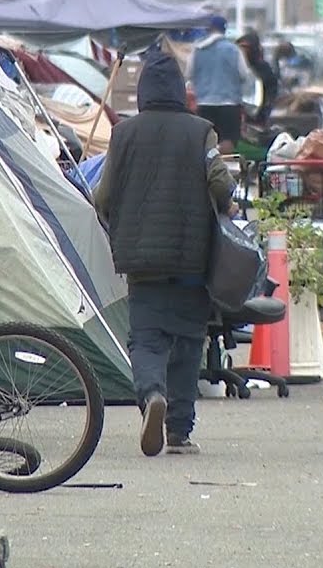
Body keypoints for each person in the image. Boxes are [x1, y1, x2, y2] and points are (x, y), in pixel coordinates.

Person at [93, 46, 237, 457]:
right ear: (180, 90)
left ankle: (152, 394)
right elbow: (220, 184)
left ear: (142, 92)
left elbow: (103, 196)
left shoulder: (123, 134)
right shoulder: (200, 131)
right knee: (189, 343)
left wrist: (115, 224)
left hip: (142, 261)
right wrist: (230, 204)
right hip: (191, 260)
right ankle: (178, 429)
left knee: (147, 340)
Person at [187, 15, 251, 155]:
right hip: (229, 104)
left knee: (206, 142)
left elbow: (189, 74)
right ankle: (225, 170)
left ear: (209, 29)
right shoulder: (234, 50)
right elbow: (244, 74)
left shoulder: (197, 50)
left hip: (204, 104)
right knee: (227, 140)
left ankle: (208, 170)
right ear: (224, 30)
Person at [235, 31, 286, 122]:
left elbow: (271, 89)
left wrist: (265, 107)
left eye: (246, 48)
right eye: (241, 48)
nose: (243, 51)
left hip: (257, 113)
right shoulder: (234, 66)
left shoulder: (263, 68)